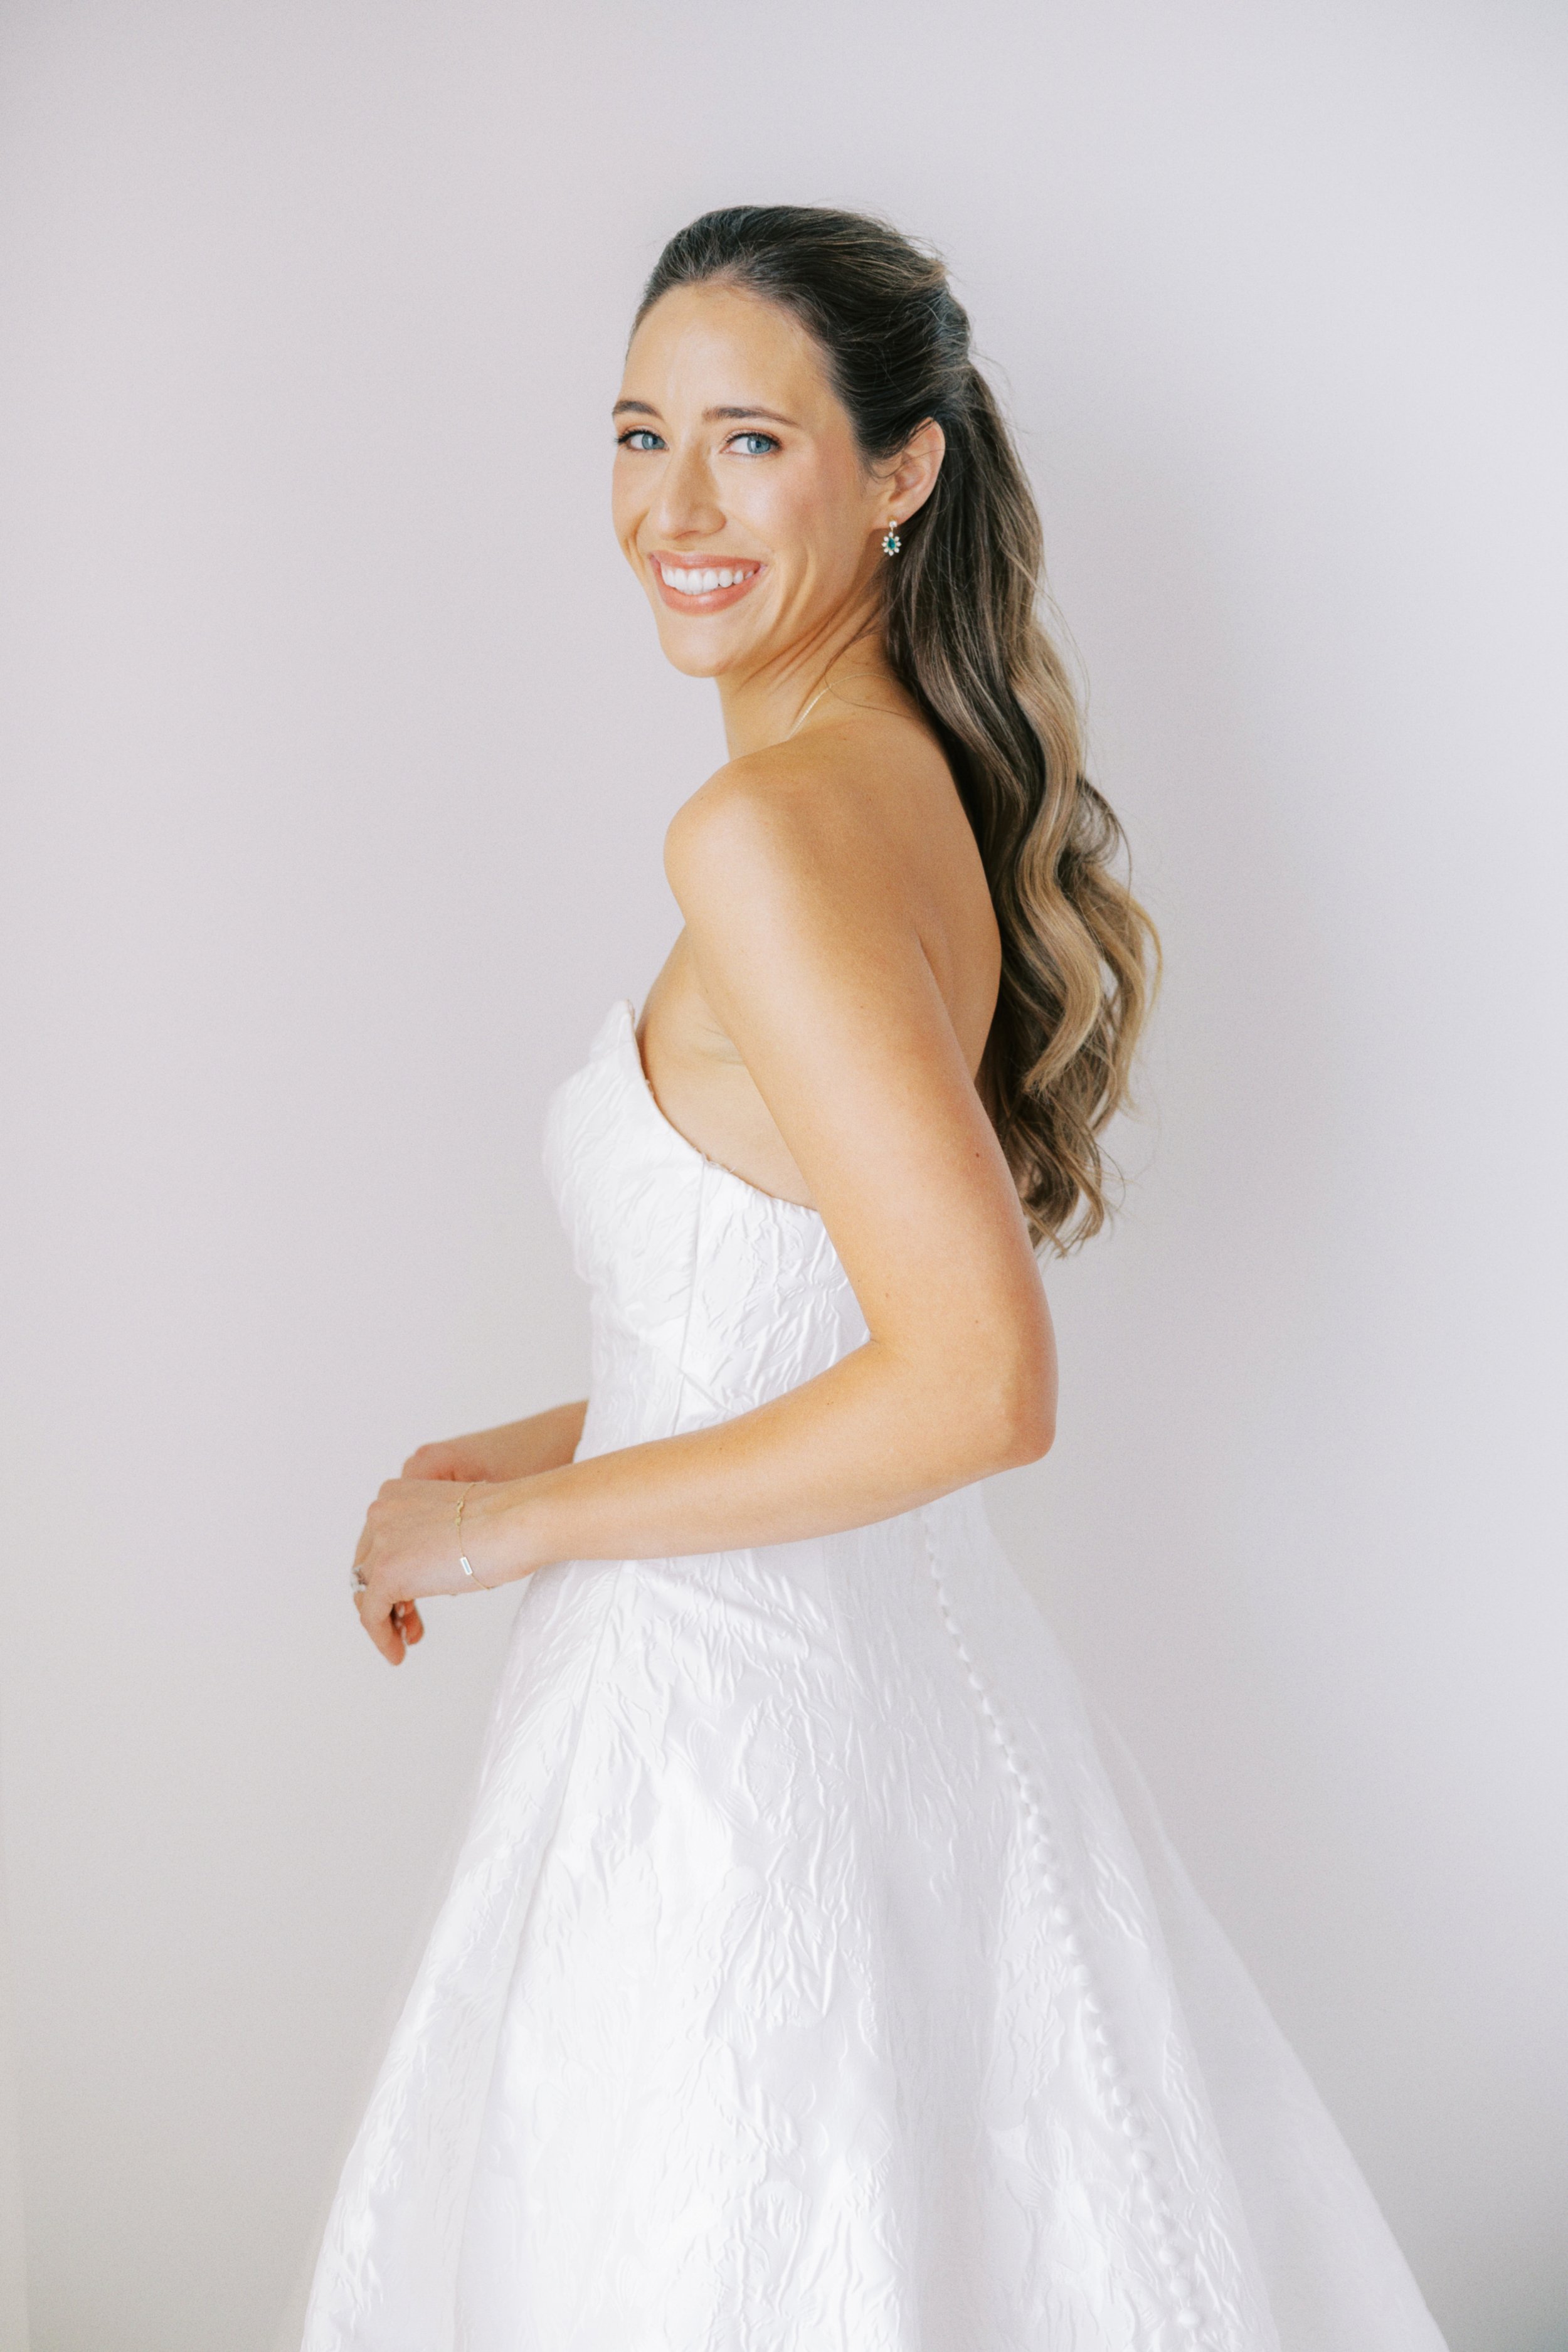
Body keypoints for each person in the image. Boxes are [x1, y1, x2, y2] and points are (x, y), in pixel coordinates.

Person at [302, 206, 1446, 2351]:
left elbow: (973, 1383)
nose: (673, 506)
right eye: (641, 435)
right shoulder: (901, 790)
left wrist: (506, 1529)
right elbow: (799, 1309)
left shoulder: (761, 835)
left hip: (749, 1754)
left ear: (898, 469)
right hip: (836, 1700)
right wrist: (536, 1439)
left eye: (751, 442)